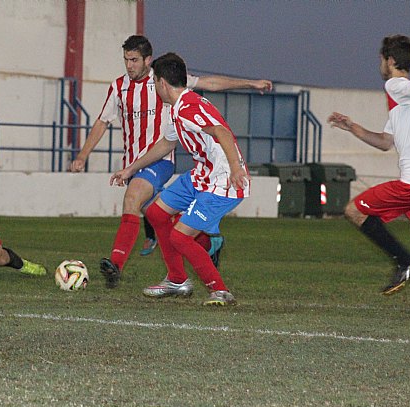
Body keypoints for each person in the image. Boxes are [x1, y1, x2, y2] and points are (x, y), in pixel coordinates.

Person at [70, 35, 272, 288]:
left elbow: (212, 91)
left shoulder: (171, 84)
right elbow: (104, 121)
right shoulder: (120, 88)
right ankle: (204, 245)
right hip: (141, 161)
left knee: (133, 199)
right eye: (126, 60)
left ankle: (117, 265)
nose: (129, 65)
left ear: (148, 61)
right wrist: (87, 156)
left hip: (162, 163)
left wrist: (250, 84)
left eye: (134, 60)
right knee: (157, 215)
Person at [111, 52, 250, 306]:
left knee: (180, 237)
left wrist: (235, 168)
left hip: (222, 181)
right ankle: (177, 279)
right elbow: (166, 143)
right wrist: (130, 169)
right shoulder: (177, 109)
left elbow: (221, 132)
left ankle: (219, 290)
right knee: (155, 213)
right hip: (201, 175)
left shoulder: (188, 108)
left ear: (163, 83)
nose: (154, 88)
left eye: (154, 83)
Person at [328, 34, 410, 295]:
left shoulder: (396, 85)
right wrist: (351, 127)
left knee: (354, 210)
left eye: (381, 60)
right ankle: (407, 261)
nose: (380, 65)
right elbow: (385, 142)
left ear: (391, 60)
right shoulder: (402, 105)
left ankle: (406, 261)